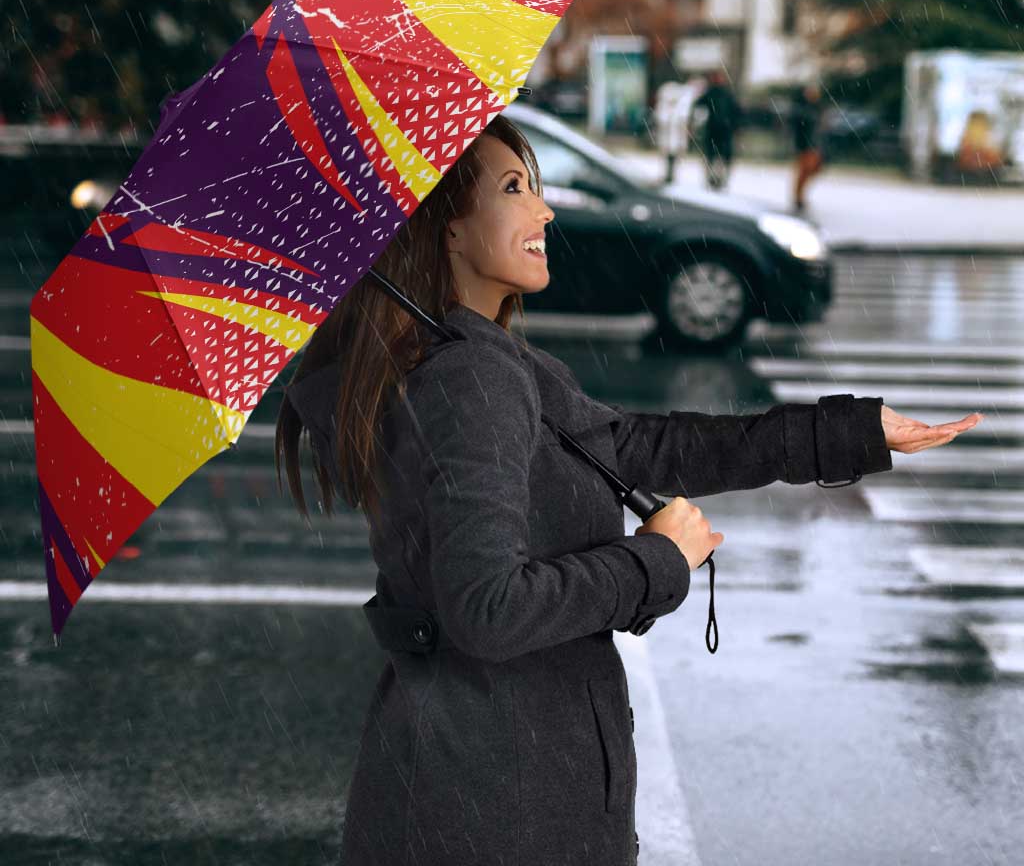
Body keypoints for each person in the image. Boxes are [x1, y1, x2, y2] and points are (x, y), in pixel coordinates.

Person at [276, 113, 973, 866]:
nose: (544, 210)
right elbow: (487, 610)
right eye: (514, 188)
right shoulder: (469, 378)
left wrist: (851, 433)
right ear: (446, 227)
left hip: (474, 785)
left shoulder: (473, 359)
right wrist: (656, 561)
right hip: (499, 805)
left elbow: (639, 447)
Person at [692, 68, 742, 191]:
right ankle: (713, 179)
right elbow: (698, 106)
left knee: (720, 157)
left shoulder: (725, 94)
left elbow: (736, 112)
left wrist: (735, 126)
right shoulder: (712, 93)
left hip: (723, 130)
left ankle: (719, 179)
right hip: (715, 130)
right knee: (713, 156)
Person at [790, 82, 826, 213]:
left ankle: (800, 196)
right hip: (805, 145)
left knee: (813, 170)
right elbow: (799, 128)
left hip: (814, 145)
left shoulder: (817, 108)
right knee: (804, 171)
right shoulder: (802, 109)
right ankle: (798, 197)